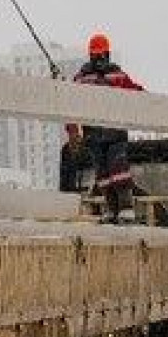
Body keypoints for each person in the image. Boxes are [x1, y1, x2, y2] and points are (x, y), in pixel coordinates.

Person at [59, 34, 146, 216]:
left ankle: (126, 207)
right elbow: (71, 105)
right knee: (103, 174)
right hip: (94, 136)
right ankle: (112, 210)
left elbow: (135, 92)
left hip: (115, 134)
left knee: (118, 168)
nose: (99, 60)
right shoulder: (82, 78)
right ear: (91, 56)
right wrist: (73, 131)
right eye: (95, 56)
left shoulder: (117, 76)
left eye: (101, 55)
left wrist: (149, 100)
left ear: (107, 54)